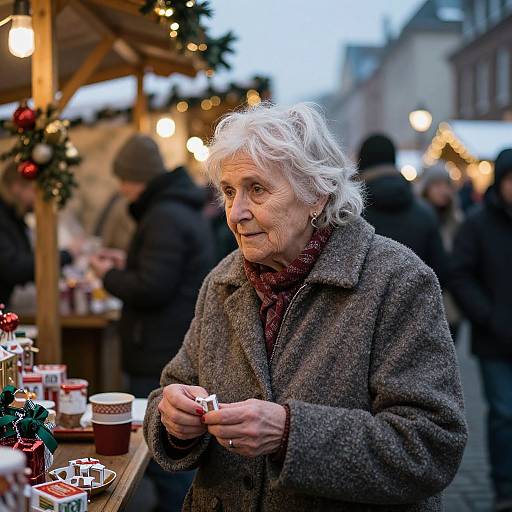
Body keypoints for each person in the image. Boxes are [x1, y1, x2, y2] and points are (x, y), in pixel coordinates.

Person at [143, 103, 467, 512]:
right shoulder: (223, 282)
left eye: (256, 189)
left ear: (317, 194)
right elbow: (170, 389)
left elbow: (431, 446)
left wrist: (291, 434)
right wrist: (173, 421)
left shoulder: (396, 281)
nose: (236, 212)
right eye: (228, 191)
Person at [89, 134, 214, 512]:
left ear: (136, 178)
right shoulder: (173, 209)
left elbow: (153, 287)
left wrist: (106, 276)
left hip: (161, 348)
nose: (121, 188)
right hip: (168, 340)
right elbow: (161, 273)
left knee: (166, 457)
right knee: (171, 451)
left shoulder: (163, 216)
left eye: (123, 178)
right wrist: (125, 265)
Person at [451, 148, 512, 512]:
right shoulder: (477, 224)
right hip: (495, 340)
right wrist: (487, 316)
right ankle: (505, 487)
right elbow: (459, 273)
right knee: (504, 415)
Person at [357, 134, 450, 285]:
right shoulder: (425, 213)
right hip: (415, 302)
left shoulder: (349, 215)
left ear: (361, 163)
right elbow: (440, 272)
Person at [0, 161, 73, 306]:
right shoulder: (4, 218)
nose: (39, 199)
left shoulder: (14, 216)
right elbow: (14, 268)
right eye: (35, 191)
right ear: (16, 187)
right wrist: (67, 255)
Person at [419, 164, 464, 340]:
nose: (443, 190)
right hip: (423, 303)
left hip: (451, 304)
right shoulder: (418, 220)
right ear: (427, 188)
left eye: (446, 185)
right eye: (437, 185)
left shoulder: (457, 221)